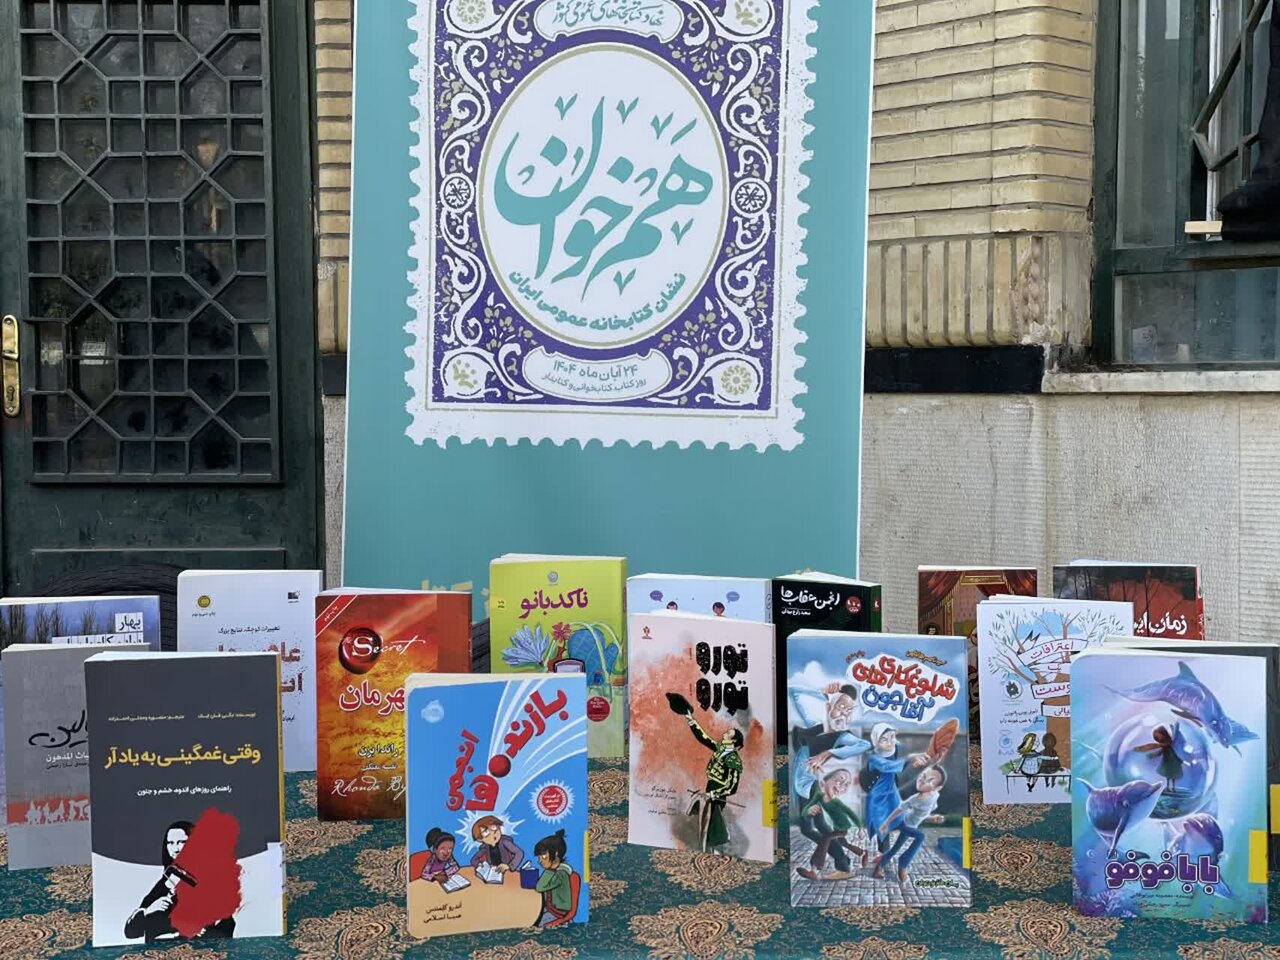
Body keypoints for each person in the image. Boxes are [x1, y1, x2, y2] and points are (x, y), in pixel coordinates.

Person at [681, 710, 743, 851]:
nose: (725, 733)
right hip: (710, 787)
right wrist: (691, 720)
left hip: (718, 794)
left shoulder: (734, 759)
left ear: (733, 741)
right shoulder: (720, 748)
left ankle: (709, 850)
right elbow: (704, 738)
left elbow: (732, 787)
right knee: (706, 823)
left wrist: (715, 794)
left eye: (729, 733)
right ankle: (708, 850)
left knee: (710, 823)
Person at [873, 766, 947, 883]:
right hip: (904, 823)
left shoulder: (934, 796)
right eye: (923, 776)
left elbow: (921, 815)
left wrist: (933, 818)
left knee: (895, 849)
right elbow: (899, 809)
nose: (923, 780)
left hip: (912, 826)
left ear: (937, 788)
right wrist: (886, 823)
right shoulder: (914, 799)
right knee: (921, 836)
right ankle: (903, 864)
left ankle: (879, 867)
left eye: (930, 781)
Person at [123, 821, 194, 942]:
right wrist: (148, 910)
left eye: (181, 842)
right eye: (170, 843)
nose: (175, 849)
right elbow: (131, 932)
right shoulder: (166, 881)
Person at [863, 723, 926, 854]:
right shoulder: (873, 757)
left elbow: (903, 766)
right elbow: (887, 766)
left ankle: (893, 851)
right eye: (884, 739)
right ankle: (883, 854)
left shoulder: (895, 749)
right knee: (881, 823)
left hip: (892, 793)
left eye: (892, 737)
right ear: (876, 741)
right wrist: (910, 758)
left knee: (899, 818)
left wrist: (916, 760)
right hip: (879, 797)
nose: (890, 742)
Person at [795, 767, 865, 880]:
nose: (840, 786)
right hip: (804, 786)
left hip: (843, 829)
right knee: (826, 832)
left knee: (826, 836)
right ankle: (846, 861)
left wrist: (860, 828)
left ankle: (816, 868)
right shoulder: (820, 796)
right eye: (838, 781)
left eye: (845, 784)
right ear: (825, 781)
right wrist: (807, 811)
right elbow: (808, 808)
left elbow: (851, 813)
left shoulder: (836, 802)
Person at [789, 680, 869, 777]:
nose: (844, 714)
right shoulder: (815, 726)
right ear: (829, 707)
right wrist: (822, 694)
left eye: (849, 711)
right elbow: (794, 691)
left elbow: (865, 744)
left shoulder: (843, 736)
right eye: (841, 706)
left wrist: (828, 753)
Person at [534, 830, 578, 927]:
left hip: (557, 914)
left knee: (535, 924)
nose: (540, 861)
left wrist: (549, 870)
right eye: (539, 857)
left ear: (556, 854)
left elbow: (540, 887)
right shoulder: (554, 872)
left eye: (543, 856)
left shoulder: (561, 874)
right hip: (549, 909)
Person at [1135, 723, 1183, 791]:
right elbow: (1160, 752)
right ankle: (1169, 787)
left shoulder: (1170, 743)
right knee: (1168, 775)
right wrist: (1152, 755)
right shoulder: (1164, 745)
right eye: (1156, 737)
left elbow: (1173, 750)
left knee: (1173, 775)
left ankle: (1172, 787)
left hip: (1173, 760)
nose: (1158, 738)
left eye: (1159, 736)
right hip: (1167, 761)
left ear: (1164, 734)